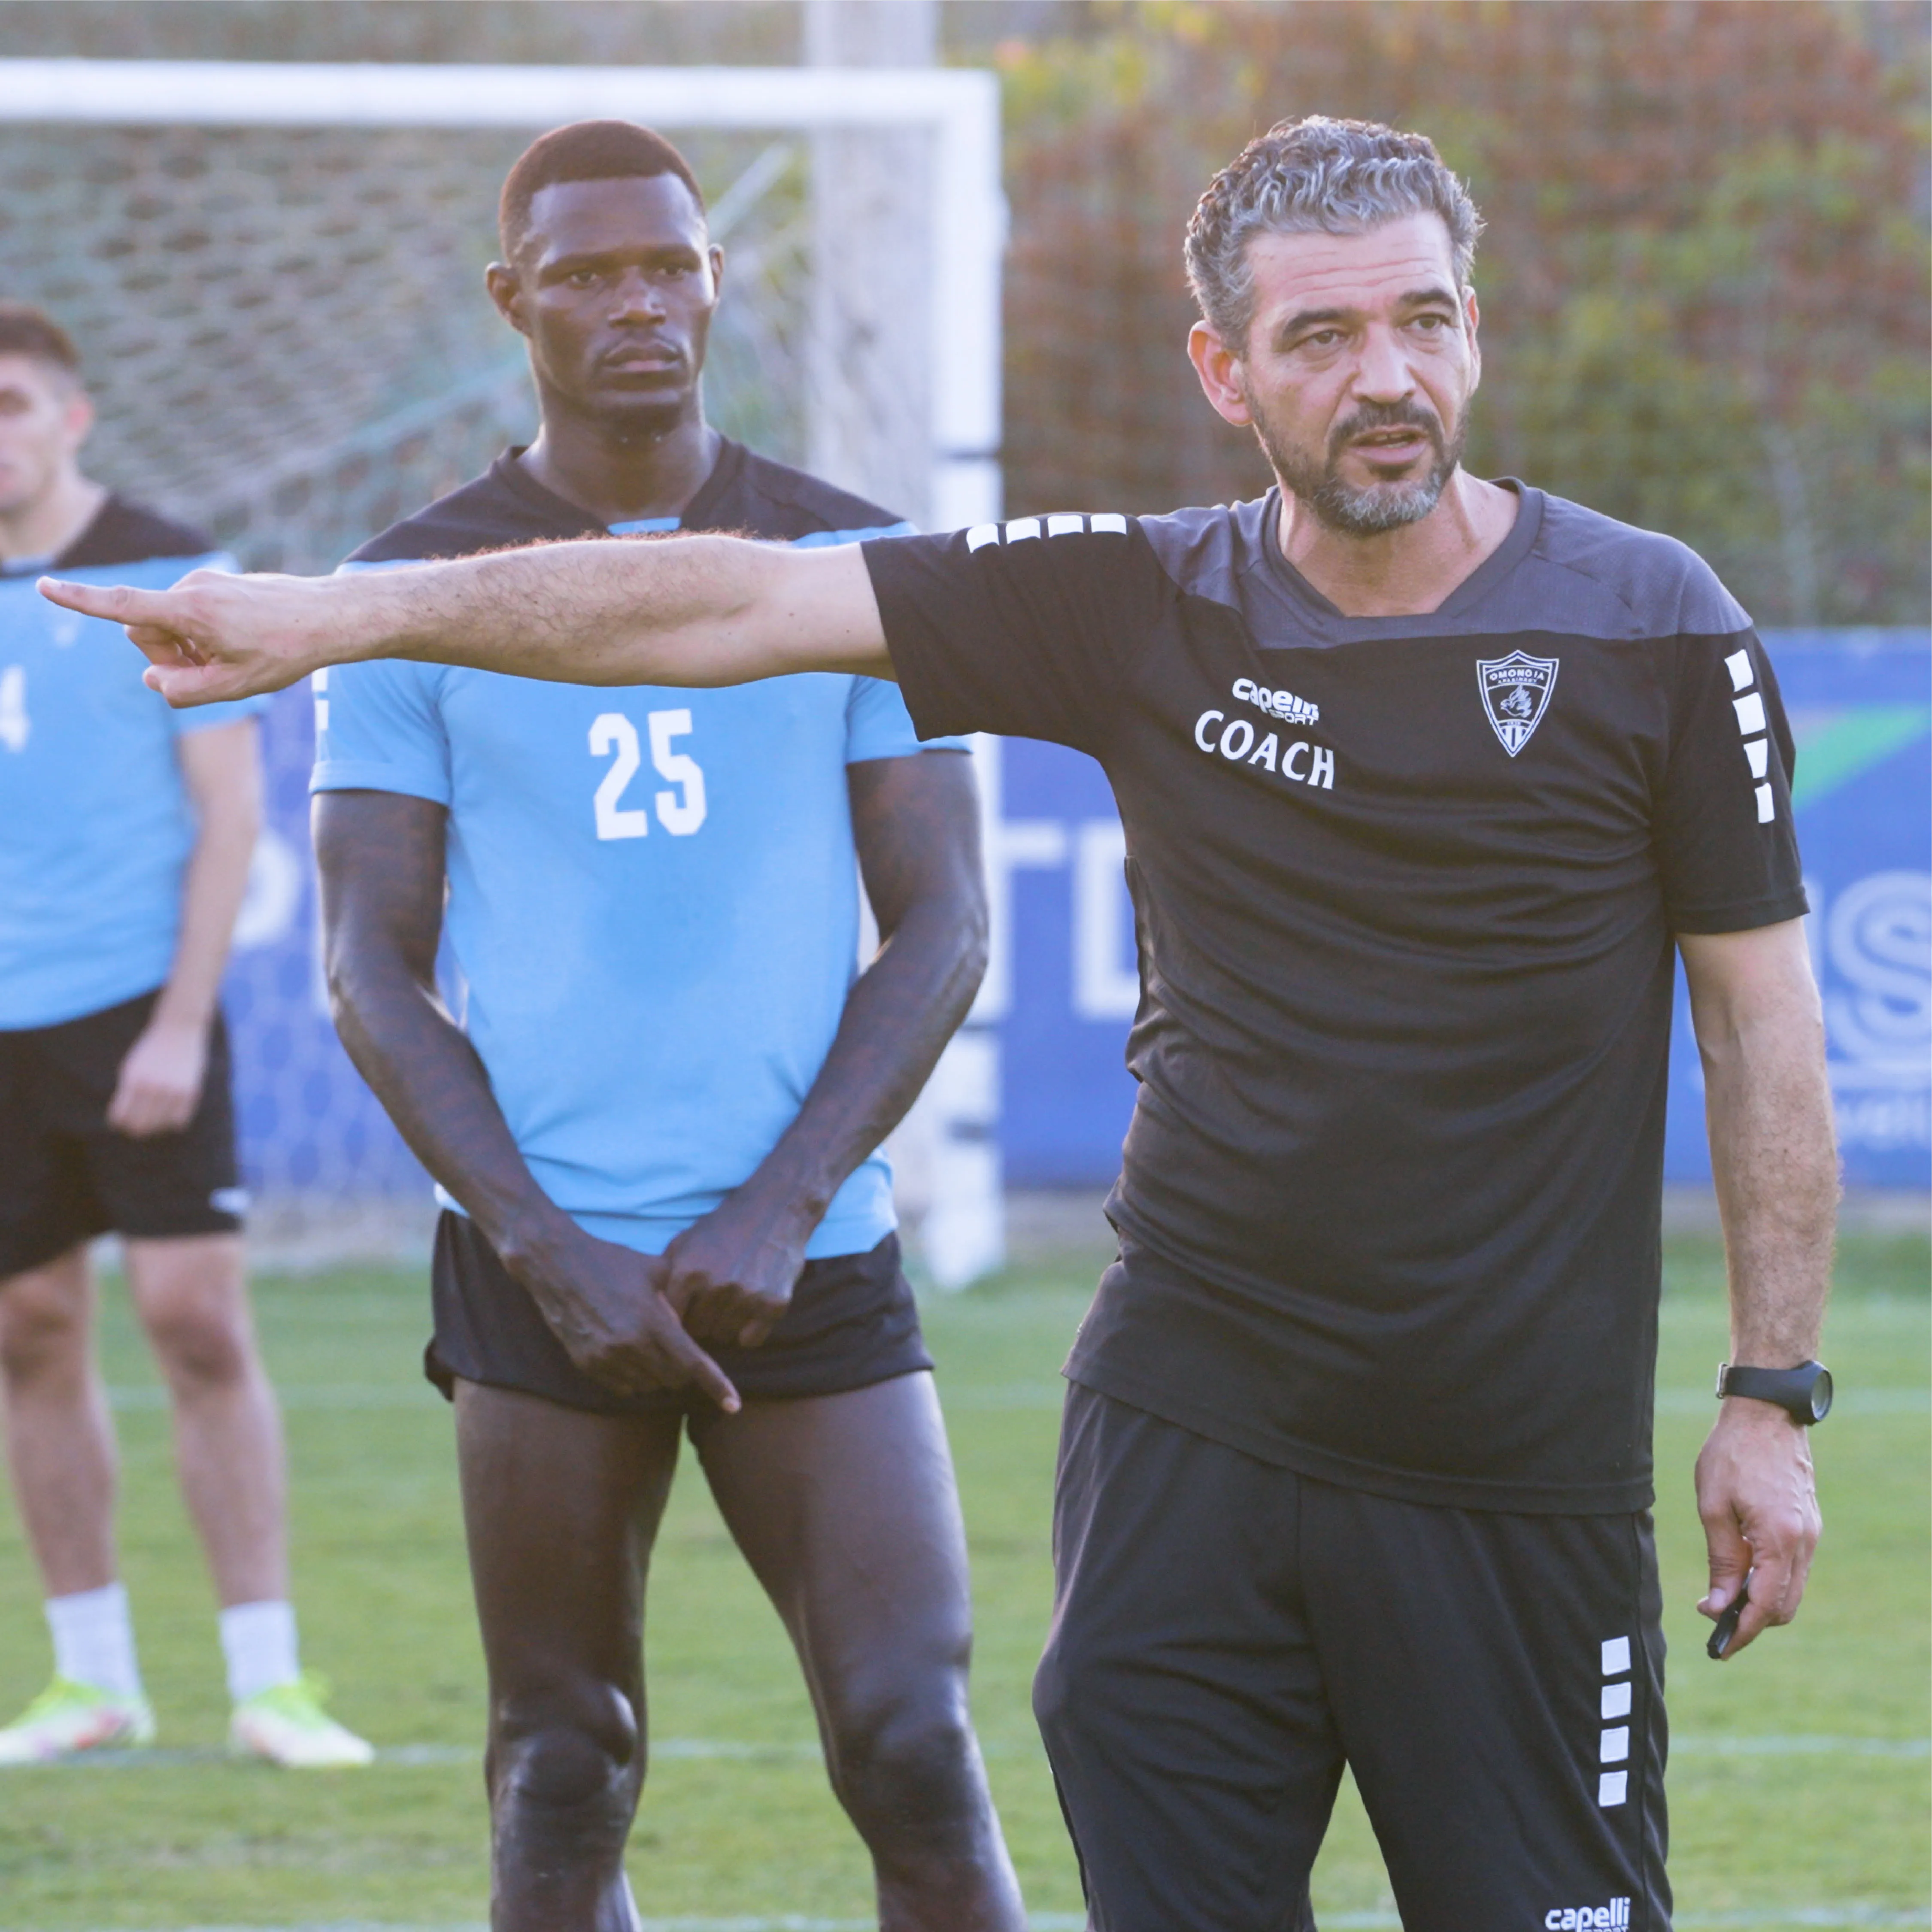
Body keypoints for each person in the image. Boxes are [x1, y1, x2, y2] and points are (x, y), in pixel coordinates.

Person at [43, 116, 1839, 1929]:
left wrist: (1772, 1398)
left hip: (1513, 1469)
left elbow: (1763, 1029)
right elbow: (720, 594)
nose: (1387, 376)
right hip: (1187, 1440)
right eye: (1320, 336)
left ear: (1475, 328)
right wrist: (339, 618)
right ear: (1224, 369)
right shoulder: (1138, 599)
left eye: (1423, 320)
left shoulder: (1656, 626)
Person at [303, 123, 1022, 1929]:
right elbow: (369, 966)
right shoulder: (409, 595)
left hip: (810, 1254)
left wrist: (783, 1204)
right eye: (590, 273)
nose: (640, 303)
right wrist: (544, 1249)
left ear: (711, 282)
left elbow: (943, 919)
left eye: (670, 266)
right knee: (563, 1764)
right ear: (512, 300)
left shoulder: (855, 565)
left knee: (913, 1740)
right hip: (548, 1274)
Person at [0, 303, 370, 1768]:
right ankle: (90, 1677)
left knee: (195, 1321)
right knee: (27, 1333)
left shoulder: (157, 562)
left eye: (14, 403)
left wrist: (178, 1022)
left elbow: (229, 816)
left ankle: (268, 1679)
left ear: (70, 417)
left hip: (134, 1011)